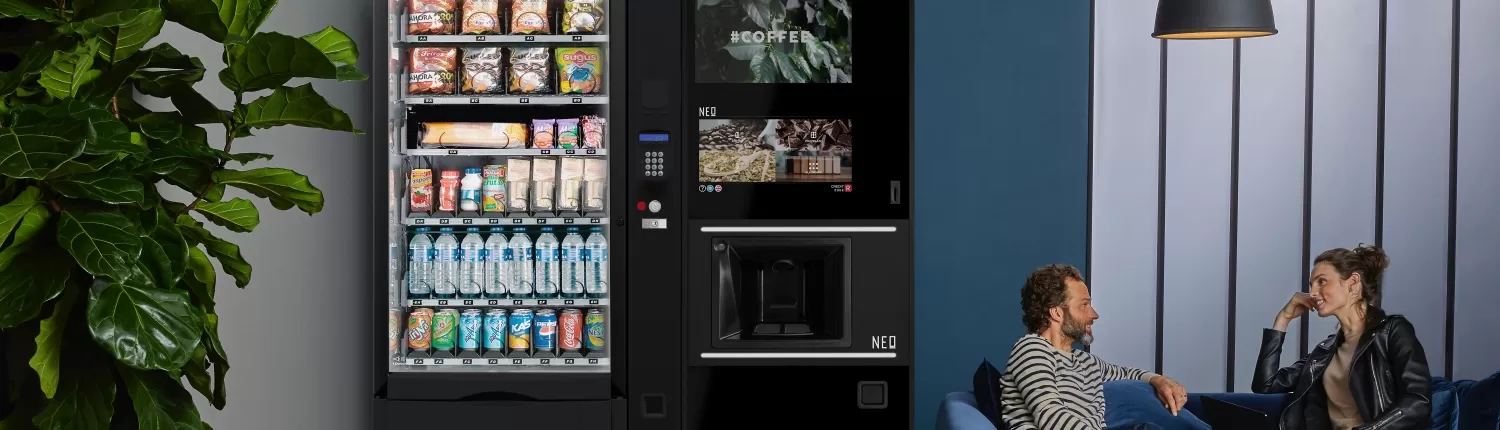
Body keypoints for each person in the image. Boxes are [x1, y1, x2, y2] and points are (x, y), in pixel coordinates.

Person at [1252, 244, 1432, 430]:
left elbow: (1419, 401)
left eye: (1321, 281)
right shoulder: (1326, 351)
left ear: (1353, 283)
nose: (1313, 292)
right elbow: (1265, 386)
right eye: (1311, 284)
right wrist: (1283, 318)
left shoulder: (1392, 331)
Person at [998, 264, 1188, 430]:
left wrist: (1160, 381)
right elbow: (1050, 417)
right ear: (1056, 312)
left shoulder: (1085, 362)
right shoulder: (1032, 349)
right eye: (1084, 305)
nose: (1094, 314)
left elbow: (1129, 374)